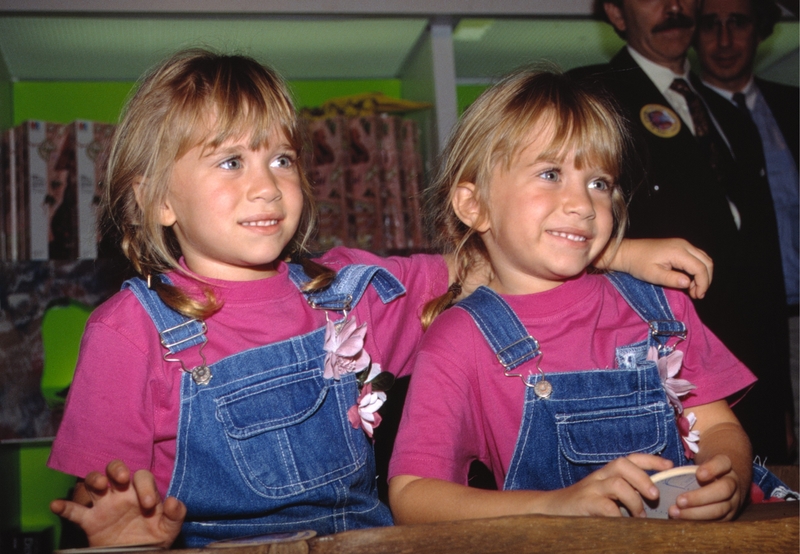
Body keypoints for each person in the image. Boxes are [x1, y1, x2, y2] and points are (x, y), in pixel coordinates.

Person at [46, 49, 715, 549]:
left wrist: (613, 253)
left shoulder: (349, 294)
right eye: (230, 162)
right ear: (156, 199)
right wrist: (128, 538)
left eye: (281, 159)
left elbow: (490, 257)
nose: (266, 185)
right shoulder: (127, 330)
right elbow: (102, 502)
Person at [387, 69, 793, 526]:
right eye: (550, 173)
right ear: (473, 204)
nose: (583, 203)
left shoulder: (658, 308)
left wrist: (729, 478)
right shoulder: (460, 339)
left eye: (599, 183)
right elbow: (412, 495)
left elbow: (718, 428)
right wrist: (553, 505)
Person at [570, 0, 792, 463]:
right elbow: (553, 228)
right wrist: (619, 252)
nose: (674, 7)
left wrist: (780, 402)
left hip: (751, 369)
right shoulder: (593, 95)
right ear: (615, 12)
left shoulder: (727, 111)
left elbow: (762, 266)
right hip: (659, 364)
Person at [694, 0, 799, 460]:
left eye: (736, 23)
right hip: (737, 325)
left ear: (759, 29)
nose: (723, 40)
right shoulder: (685, 117)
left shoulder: (792, 106)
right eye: (709, 25)